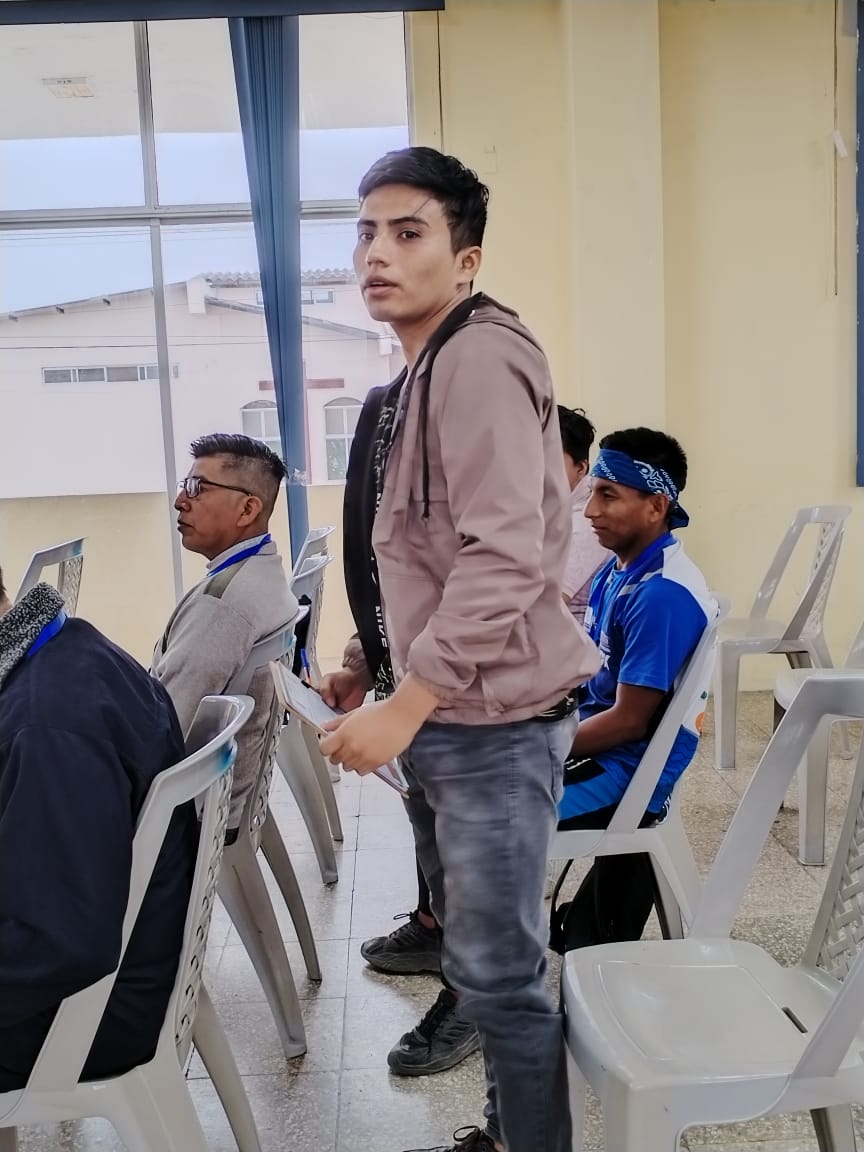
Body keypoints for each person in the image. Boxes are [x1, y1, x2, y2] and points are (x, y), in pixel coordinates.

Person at [318, 146, 600, 1152]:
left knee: (501, 978)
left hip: (492, 725)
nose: (377, 254)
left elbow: (506, 553)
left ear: (466, 259)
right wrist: (372, 660)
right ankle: (504, 1133)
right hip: (455, 714)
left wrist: (405, 701)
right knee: (476, 963)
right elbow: (419, 548)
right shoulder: (424, 367)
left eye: (409, 233)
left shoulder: (477, 357)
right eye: (366, 232)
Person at [357, 404, 610, 1080]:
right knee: (437, 838)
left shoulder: (562, 525)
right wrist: (370, 660)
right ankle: (446, 943)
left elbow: (489, 603)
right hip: (459, 703)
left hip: (518, 715)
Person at [0, 566, 197, 1090]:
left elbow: (58, 941)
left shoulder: (45, 730)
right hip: (104, 968)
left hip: (87, 1012)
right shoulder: (68, 645)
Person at [553, 426, 716, 949]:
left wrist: (536, 744)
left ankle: (482, 973)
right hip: (601, 744)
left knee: (486, 818)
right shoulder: (618, 571)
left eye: (608, 495)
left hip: (625, 770)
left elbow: (628, 722)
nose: (590, 511)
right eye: (592, 493)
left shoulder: (659, 595)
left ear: (656, 506)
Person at [152, 433, 298, 835]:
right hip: (221, 794)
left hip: (186, 814)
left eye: (198, 488)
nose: (180, 500)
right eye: (185, 485)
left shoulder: (222, 605)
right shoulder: (263, 571)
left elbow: (164, 732)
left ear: (248, 508)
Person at [558, 405, 610, 623]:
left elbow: (543, 607)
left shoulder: (586, 522)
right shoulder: (549, 509)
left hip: (568, 637)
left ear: (580, 468)